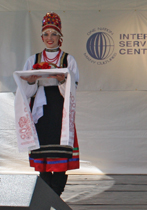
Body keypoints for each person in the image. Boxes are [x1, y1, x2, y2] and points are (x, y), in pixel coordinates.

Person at [19, 12, 80, 196]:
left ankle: (55, 197)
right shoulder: (33, 60)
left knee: (61, 158)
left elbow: (73, 91)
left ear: (60, 37)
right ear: (41, 37)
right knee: (43, 160)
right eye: (46, 34)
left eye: (53, 34)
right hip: (40, 113)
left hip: (60, 110)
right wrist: (31, 81)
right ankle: (49, 199)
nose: (49, 38)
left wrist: (63, 80)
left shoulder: (68, 60)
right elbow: (26, 93)